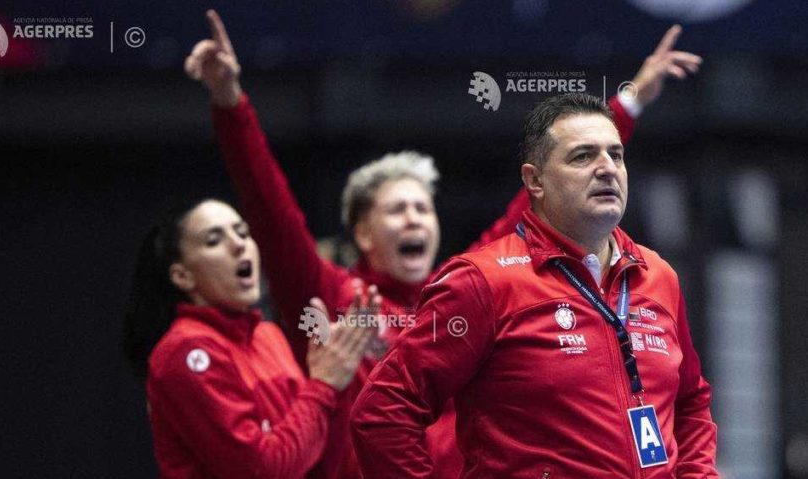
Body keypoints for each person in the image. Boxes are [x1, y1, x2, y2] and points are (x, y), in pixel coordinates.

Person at [184, 10, 702, 478]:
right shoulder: (334, 299)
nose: (416, 220)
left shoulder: (466, 280)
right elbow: (271, 212)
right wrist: (230, 104)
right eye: (396, 209)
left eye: (423, 208)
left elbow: (556, 197)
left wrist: (629, 103)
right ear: (362, 231)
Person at [350, 93, 718, 478]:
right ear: (535, 181)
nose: (608, 168)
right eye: (583, 156)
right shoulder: (484, 281)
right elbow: (383, 412)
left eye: (616, 155)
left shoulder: (657, 275)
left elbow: (690, 402)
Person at [122, 198, 375, 479]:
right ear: (183, 276)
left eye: (242, 232)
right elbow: (258, 470)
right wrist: (324, 385)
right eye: (214, 240)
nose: (239, 244)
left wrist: (338, 385)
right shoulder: (186, 348)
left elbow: (317, 464)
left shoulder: (270, 337)